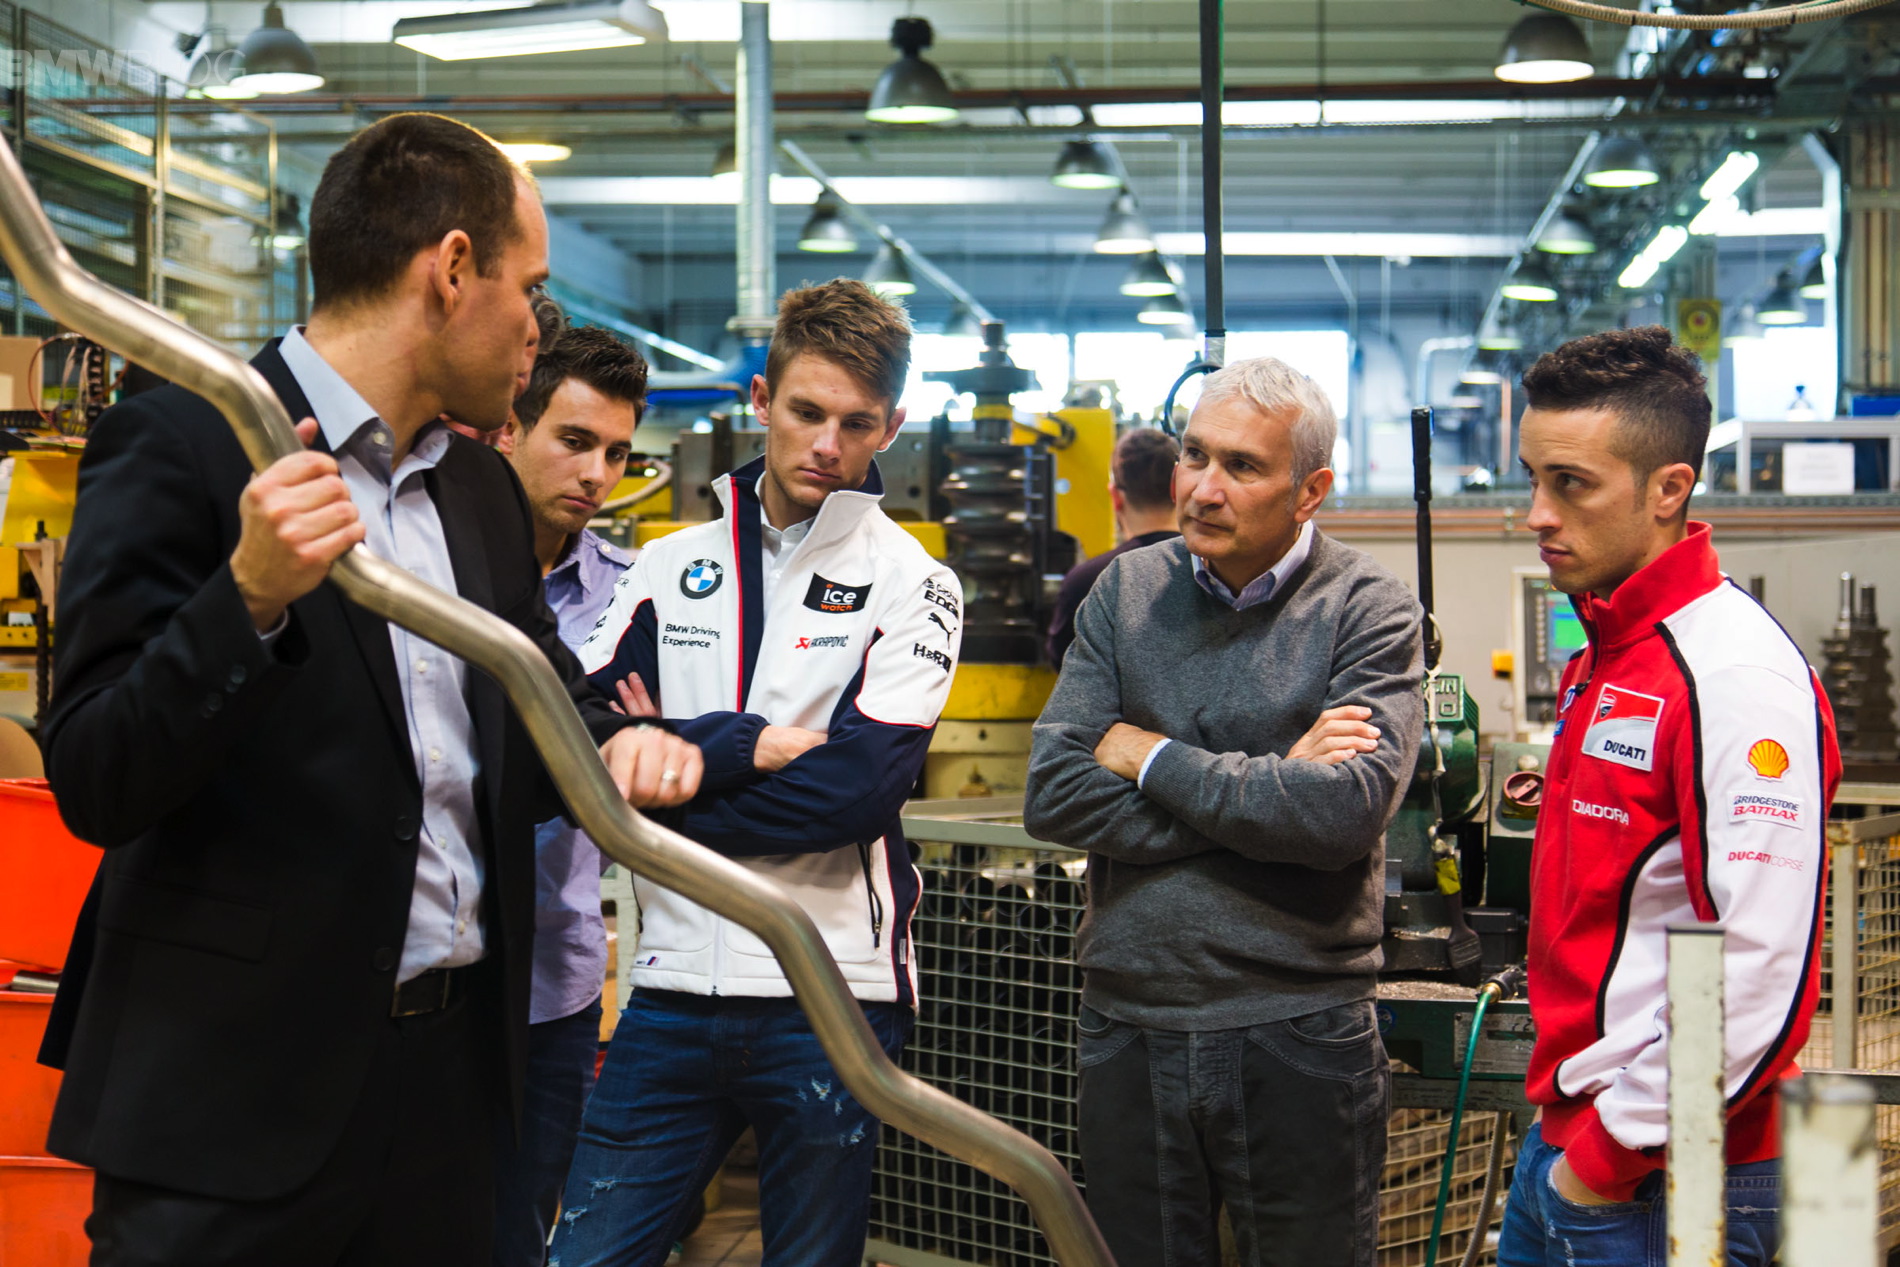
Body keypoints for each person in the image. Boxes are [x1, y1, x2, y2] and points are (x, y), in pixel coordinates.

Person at [37, 112, 701, 1267]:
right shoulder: (187, 441)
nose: (536, 330)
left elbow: (540, 703)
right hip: (233, 1106)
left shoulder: (478, 492)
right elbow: (96, 775)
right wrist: (246, 598)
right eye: (530, 290)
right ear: (451, 270)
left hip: (447, 1102)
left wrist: (614, 748)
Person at [549, 279, 963, 1267]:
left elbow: (853, 793)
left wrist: (664, 788)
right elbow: (576, 742)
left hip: (832, 993)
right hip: (670, 984)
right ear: (761, 397)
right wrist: (735, 748)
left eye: (856, 423)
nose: (827, 444)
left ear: (892, 426)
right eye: (807, 411)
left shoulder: (915, 584)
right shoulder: (663, 568)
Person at [1023, 356, 1423, 1267]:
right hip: (1128, 1022)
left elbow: (1340, 817)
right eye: (1195, 455)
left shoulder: (1368, 608)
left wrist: (1150, 755)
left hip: (1299, 1031)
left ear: (1310, 490)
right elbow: (1054, 790)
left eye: (1242, 466)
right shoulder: (1125, 593)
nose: (1203, 488)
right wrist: (1272, 789)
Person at [1498, 326, 1841, 1267]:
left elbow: (1758, 965)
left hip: (1667, 1174)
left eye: (1571, 483)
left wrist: (1606, 1158)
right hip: (1575, 1144)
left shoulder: (1732, 676)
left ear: (1668, 488)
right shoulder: (1612, 653)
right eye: (1533, 478)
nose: (1537, 514)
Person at [490, 322, 650, 1266]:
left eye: (618, 453)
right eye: (576, 441)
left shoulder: (635, 597)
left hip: (556, 975)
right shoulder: (439, 567)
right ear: (511, 427)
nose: (596, 474)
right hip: (437, 966)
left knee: (523, 1225)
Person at [1044, 426, 1180, 667]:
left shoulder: (1087, 582)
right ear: (1179, 489)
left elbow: (1063, 664)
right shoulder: (1213, 571)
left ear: (1115, 497)